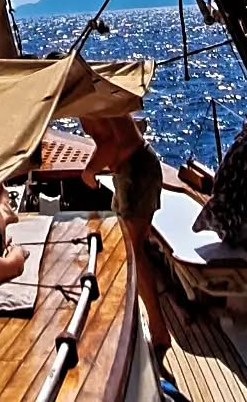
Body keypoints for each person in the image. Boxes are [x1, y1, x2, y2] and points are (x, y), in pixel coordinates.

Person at [79, 111, 173, 355]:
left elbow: (110, 145)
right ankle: (136, 320)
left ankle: (159, 331)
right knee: (127, 250)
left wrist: (89, 171)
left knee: (133, 251)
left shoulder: (90, 97)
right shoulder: (90, 92)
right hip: (128, 172)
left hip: (136, 172)